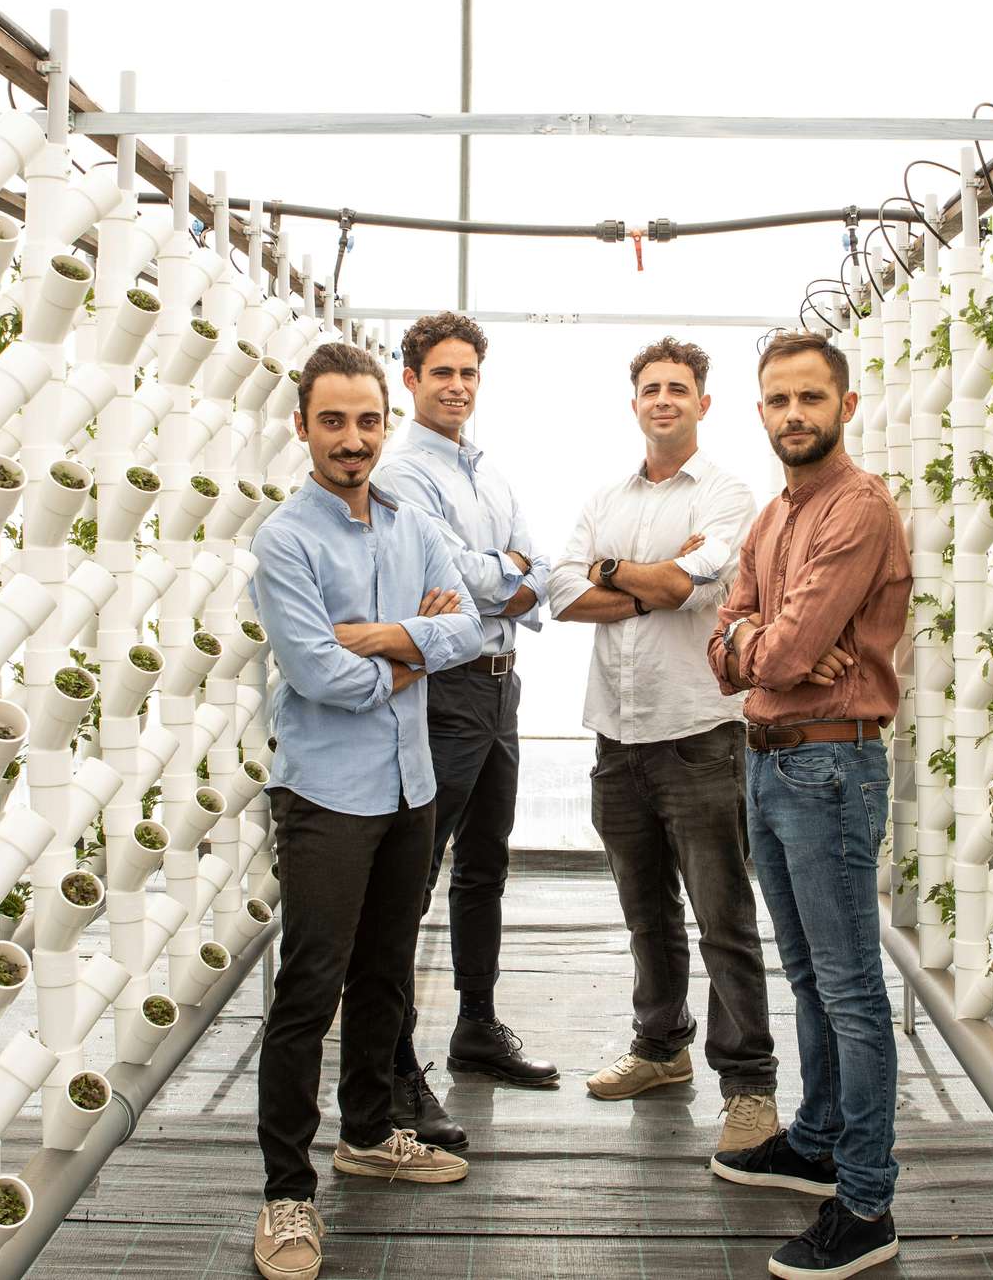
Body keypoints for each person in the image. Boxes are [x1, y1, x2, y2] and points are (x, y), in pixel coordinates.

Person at [246, 342, 486, 1280]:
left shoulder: (411, 523)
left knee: (387, 972)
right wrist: (410, 655)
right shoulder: (285, 540)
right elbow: (317, 673)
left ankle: (369, 1131)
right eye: (334, 421)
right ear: (303, 426)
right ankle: (286, 1191)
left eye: (368, 420)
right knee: (310, 986)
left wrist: (384, 638)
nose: (353, 439)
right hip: (326, 794)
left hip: (407, 786)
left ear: (387, 423)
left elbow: (467, 627)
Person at [706, 330, 912, 1279]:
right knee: (808, 976)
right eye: (779, 400)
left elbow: (782, 653)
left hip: (830, 766)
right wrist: (758, 643)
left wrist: (764, 646)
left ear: (845, 405)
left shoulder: (857, 508)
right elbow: (730, 643)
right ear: (762, 412)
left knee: (852, 989)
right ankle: (819, 1139)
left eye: (811, 398)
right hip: (771, 762)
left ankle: (866, 1201)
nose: (795, 414)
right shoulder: (774, 516)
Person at [546, 336, 779, 1153]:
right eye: (652, 388)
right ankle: (660, 1047)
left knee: (723, 918)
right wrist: (646, 578)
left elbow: (697, 581)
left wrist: (612, 571)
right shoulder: (605, 495)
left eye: (678, 388)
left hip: (699, 735)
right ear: (635, 402)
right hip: (617, 737)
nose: (664, 399)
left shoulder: (728, 494)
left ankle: (749, 1085)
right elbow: (561, 592)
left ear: (703, 403)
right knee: (646, 913)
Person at [371, 311, 558, 1153]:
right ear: (410, 378)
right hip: (444, 689)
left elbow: (538, 570)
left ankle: (475, 1025)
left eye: (468, 373)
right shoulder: (403, 474)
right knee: (412, 877)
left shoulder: (489, 474)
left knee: (485, 865)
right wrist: (510, 574)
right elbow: (456, 575)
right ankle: (393, 1063)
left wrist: (511, 575)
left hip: (500, 685)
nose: (457, 386)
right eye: (441, 372)